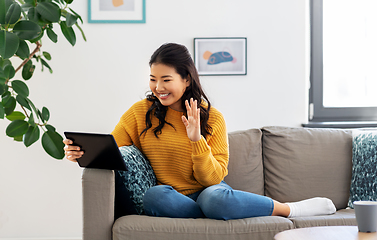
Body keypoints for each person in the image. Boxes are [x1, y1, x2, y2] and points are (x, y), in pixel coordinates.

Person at [63, 43, 336, 220]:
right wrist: (83, 154)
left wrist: (196, 140)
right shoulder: (140, 113)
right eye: (153, 79)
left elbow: (214, 177)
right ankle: (209, 215)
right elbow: (115, 152)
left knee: (215, 199)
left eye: (166, 80)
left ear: (186, 79)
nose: (158, 87)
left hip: (208, 192)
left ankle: (290, 209)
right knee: (153, 196)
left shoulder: (212, 118)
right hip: (170, 198)